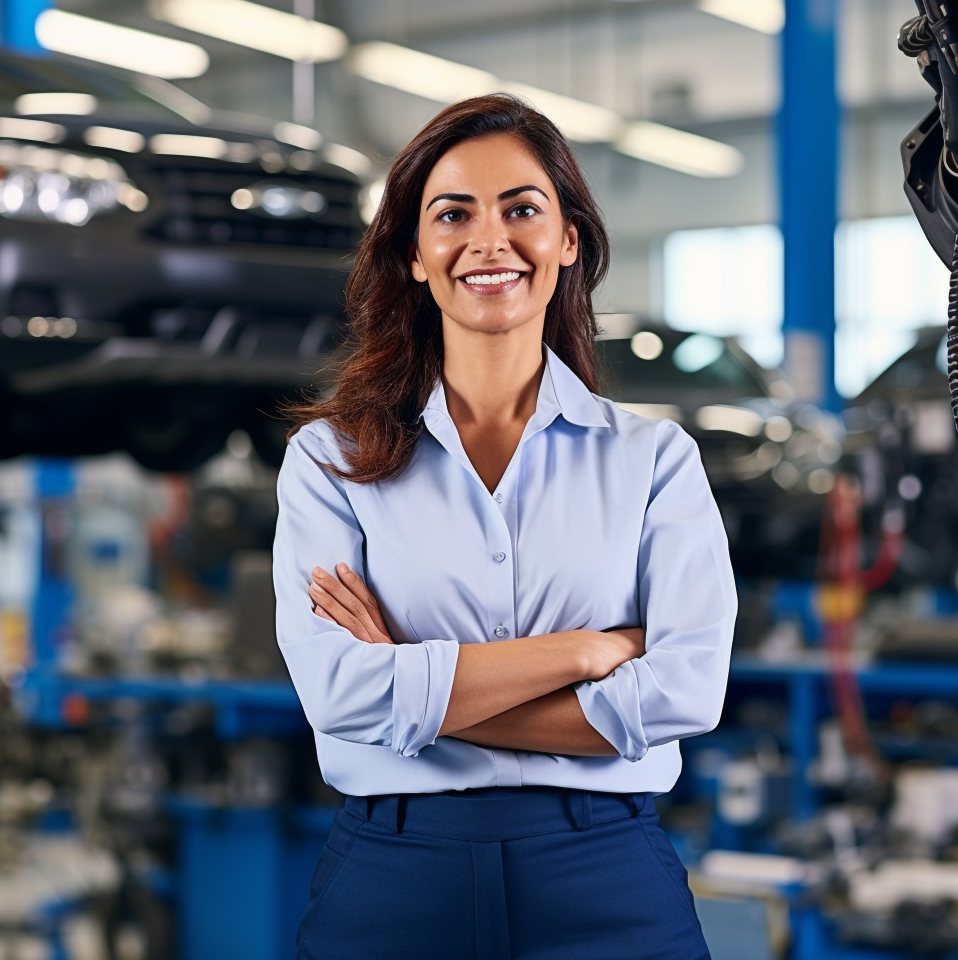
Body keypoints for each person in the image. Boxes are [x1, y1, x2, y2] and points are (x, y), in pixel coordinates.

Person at [274, 93, 736, 960]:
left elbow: (684, 692)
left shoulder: (652, 461)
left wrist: (413, 684)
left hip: (604, 877)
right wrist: (585, 651)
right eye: (454, 214)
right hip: (393, 878)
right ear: (415, 253)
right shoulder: (331, 461)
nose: (490, 241)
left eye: (522, 209)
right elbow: (338, 695)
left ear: (568, 241)